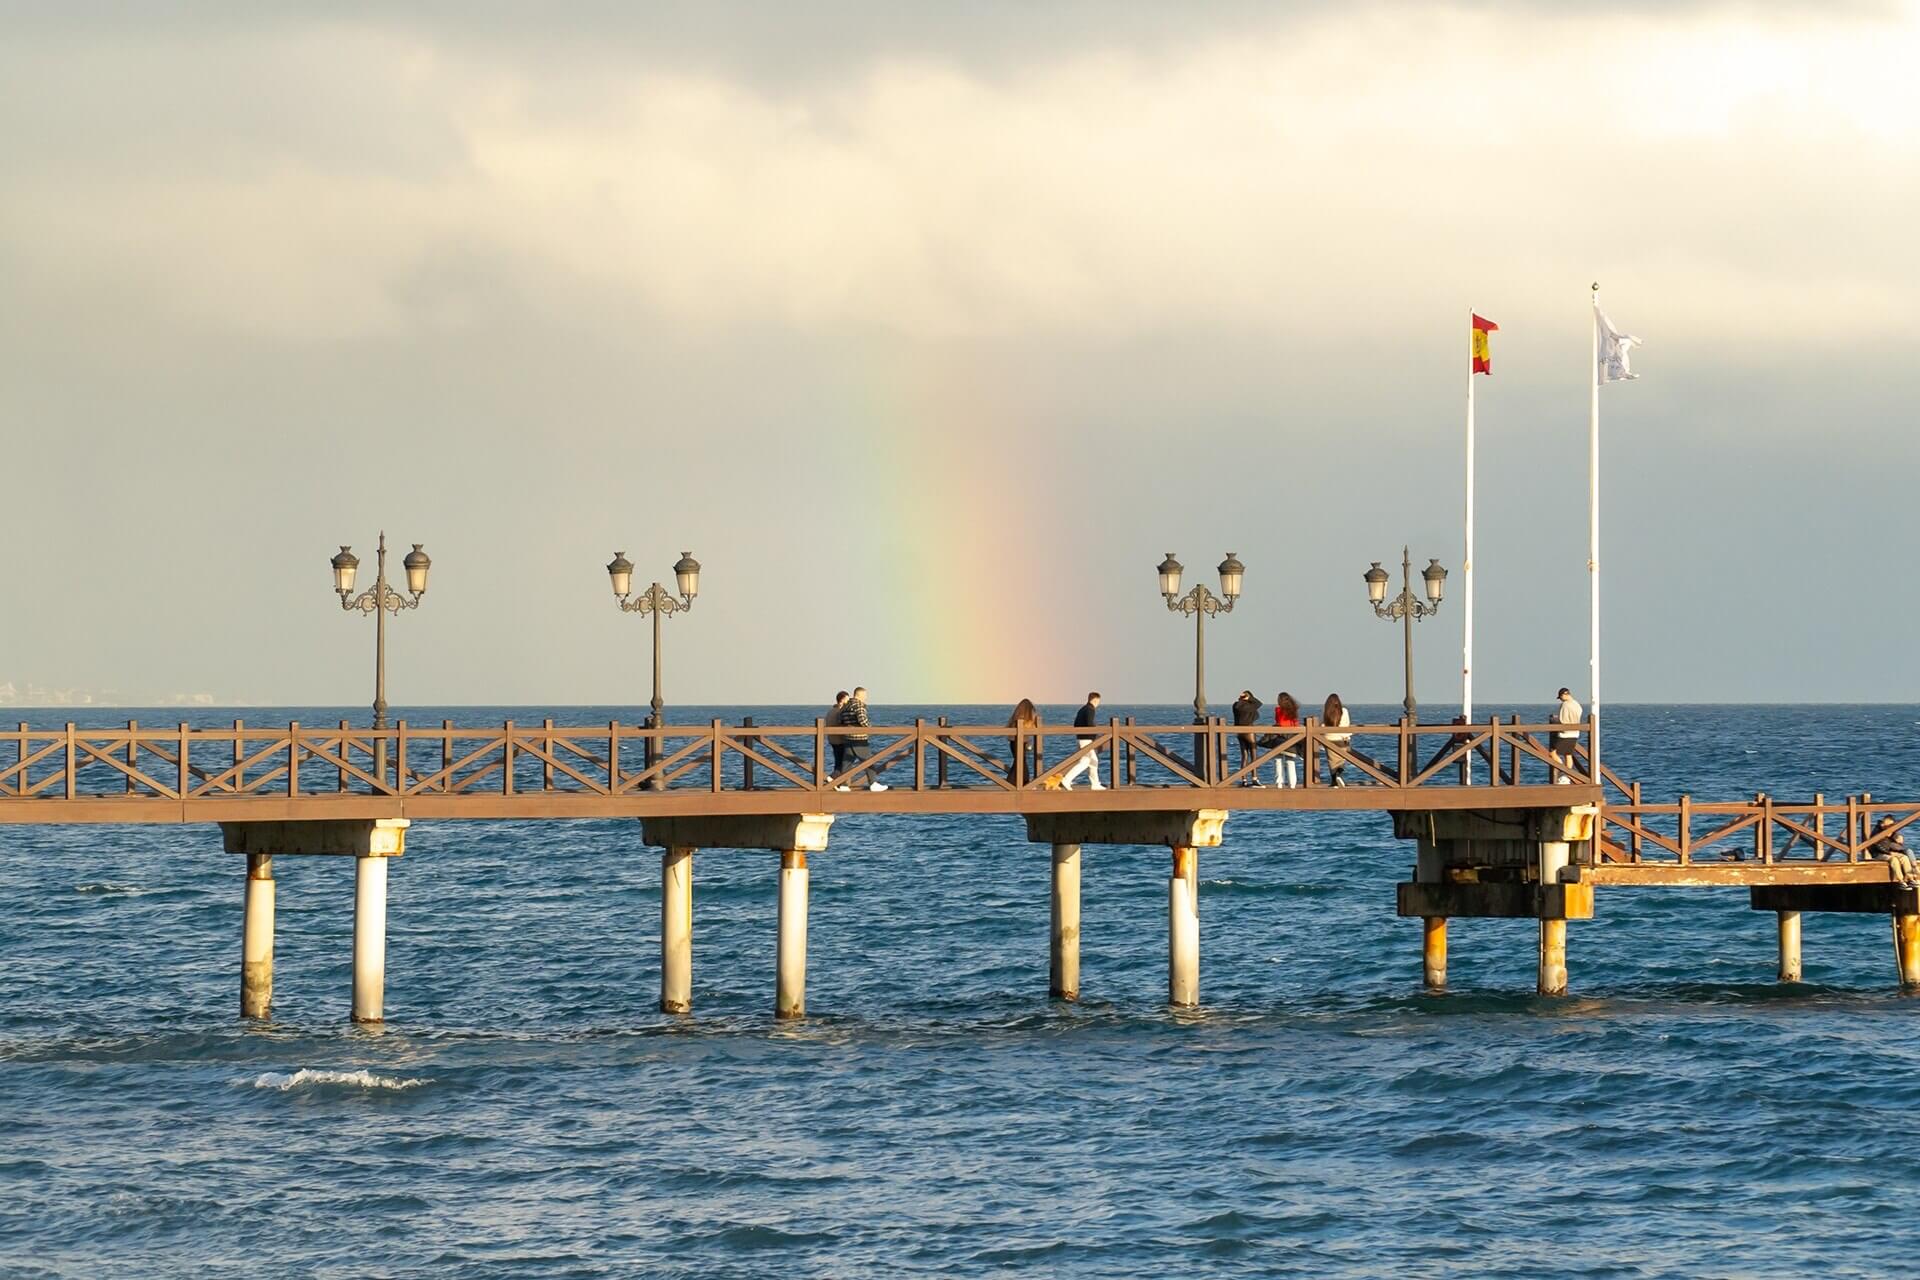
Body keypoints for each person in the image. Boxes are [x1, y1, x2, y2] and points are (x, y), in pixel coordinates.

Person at [833, 686, 889, 791]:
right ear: (860, 695)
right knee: (868, 760)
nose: (866, 698)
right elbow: (863, 721)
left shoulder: (846, 706)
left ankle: (844, 785)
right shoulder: (858, 705)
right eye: (865, 696)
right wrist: (870, 728)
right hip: (859, 738)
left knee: (847, 762)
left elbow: (841, 720)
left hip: (848, 737)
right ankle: (873, 783)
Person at [1061, 692, 1105, 790]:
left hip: (1080, 738)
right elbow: (1090, 724)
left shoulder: (1082, 709)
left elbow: (1075, 724)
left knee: (1092, 761)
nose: (1098, 704)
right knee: (1085, 762)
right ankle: (1067, 779)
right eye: (1098, 701)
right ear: (1095, 700)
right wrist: (1096, 735)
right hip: (1086, 739)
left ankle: (1095, 784)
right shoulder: (1091, 709)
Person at [1870, 816, 1920, 887]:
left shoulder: (1892, 831)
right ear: (1883, 823)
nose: (1889, 827)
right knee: (1894, 860)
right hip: (1879, 853)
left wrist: (1899, 841)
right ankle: (1901, 880)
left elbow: (1896, 843)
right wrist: (1890, 853)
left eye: (1891, 825)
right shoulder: (1876, 831)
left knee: (1904, 858)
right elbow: (1877, 846)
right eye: (1887, 825)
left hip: (1890, 852)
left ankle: (1910, 879)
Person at [1268, 692, 1302, 788]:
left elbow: (1278, 722)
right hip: (1291, 737)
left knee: (1278, 760)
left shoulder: (1278, 710)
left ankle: (1279, 783)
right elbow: (1296, 724)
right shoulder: (1294, 710)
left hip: (1280, 737)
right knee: (1290, 760)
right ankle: (1292, 784)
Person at [1550, 687, 1583, 784]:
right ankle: (1568, 776)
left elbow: (1562, 719)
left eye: (1560, 697)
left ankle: (1563, 772)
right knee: (1568, 754)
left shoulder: (1565, 705)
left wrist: (1555, 723)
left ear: (1563, 695)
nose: (1560, 700)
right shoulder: (1577, 705)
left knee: (1553, 753)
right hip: (1576, 732)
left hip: (1566, 733)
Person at [1231, 690, 1264, 785]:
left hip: (1239, 732)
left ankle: (1244, 779)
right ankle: (1254, 778)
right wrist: (1249, 697)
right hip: (1249, 731)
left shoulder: (1235, 705)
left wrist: (1242, 698)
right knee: (1253, 755)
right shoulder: (1249, 706)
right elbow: (1259, 703)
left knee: (1244, 755)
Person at [1006, 698, 1042, 783]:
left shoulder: (1015, 718)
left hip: (1013, 742)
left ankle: (1014, 782)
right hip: (1020, 742)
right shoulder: (1026, 720)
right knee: (1021, 762)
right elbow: (1032, 729)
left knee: (1018, 762)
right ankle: (1023, 782)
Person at [1323, 693, 1352, 787]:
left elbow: (1322, 725)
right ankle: (1338, 775)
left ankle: (1334, 782)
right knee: (1342, 760)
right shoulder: (1344, 711)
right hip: (1341, 739)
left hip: (1328, 739)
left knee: (1332, 762)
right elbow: (1346, 725)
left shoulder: (1326, 712)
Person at [826, 690, 850, 779]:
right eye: (847, 699)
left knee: (838, 762)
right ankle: (833, 778)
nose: (849, 702)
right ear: (843, 700)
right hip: (840, 740)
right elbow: (842, 724)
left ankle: (836, 782)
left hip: (832, 740)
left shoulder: (831, 711)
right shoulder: (840, 711)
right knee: (845, 762)